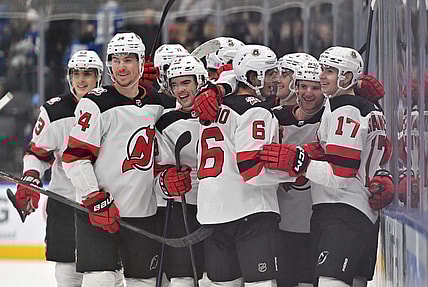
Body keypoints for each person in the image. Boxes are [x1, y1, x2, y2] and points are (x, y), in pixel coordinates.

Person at [259, 46, 390, 287]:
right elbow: (382, 151)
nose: (321, 76)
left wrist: (300, 162)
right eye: (322, 70)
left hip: (343, 210)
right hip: (357, 213)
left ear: (348, 76)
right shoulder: (367, 108)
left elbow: (341, 174)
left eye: (329, 71)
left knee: (331, 282)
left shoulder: (346, 109)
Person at [62, 32, 174, 287]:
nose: (121, 67)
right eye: (115, 60)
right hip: (99, 211)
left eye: (128, 60)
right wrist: (93, 197)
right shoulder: (95, 103)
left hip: (143, 212)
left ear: (141, 62)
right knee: (100, 280)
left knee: (143, 282)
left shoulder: (158, 103)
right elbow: (74, 158)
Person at [14, 50, 123, 286]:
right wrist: (31, 178)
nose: (81, 80)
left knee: (111, 273)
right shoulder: (55, 111)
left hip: (109, 202)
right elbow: (37, 153)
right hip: (66, 202)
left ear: (99, 77)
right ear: (68, 77)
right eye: (76, 74)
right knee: (67, 274)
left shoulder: (116, 105)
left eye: (88, 74)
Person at [197, 44, 290, 287]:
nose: (276, 80)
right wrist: (296, 170)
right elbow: (253, 170)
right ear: (251, 77)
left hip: (212, 213)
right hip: (250, 212)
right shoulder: (257, 111)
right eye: (269, 74)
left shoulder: (213, 108)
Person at [154, 55, 208, 286]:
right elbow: (157, 167)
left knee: (215, 278)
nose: (179, 90)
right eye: (174, 84)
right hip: (181, 207)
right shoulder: (165, 121)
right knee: (180, 278)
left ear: (201, 82)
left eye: (186, 82)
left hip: (219, 205)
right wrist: (165, 180)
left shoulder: (223, 114)